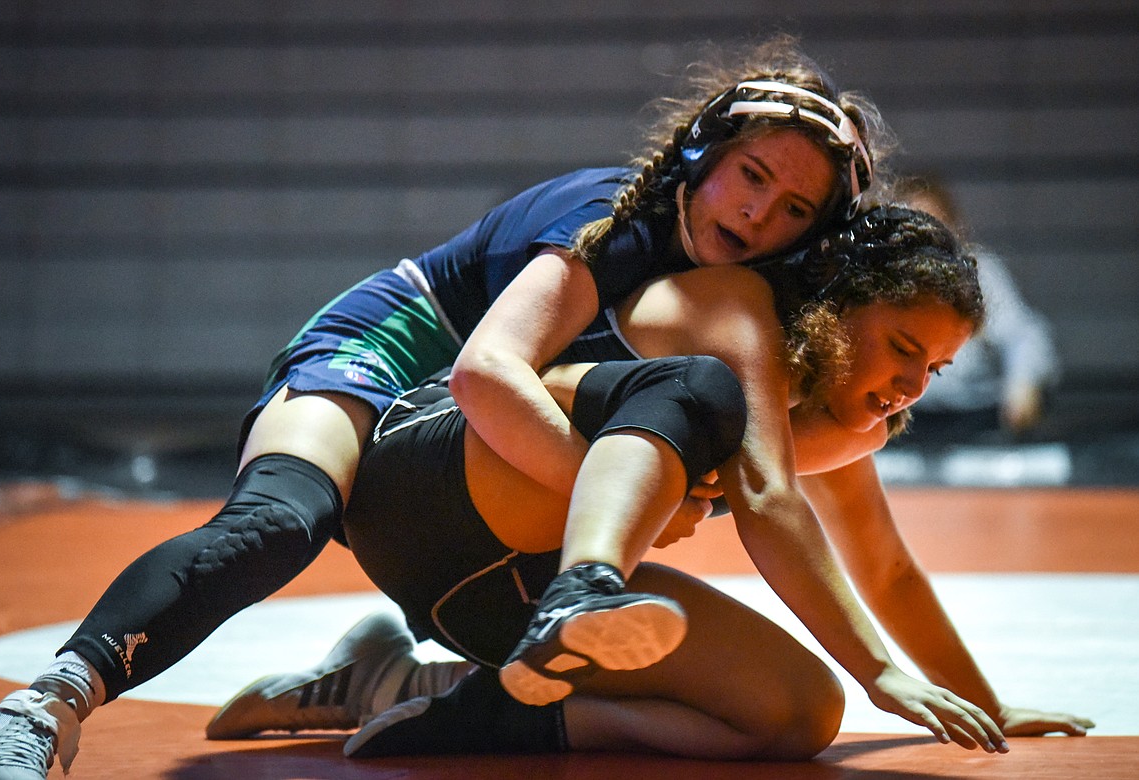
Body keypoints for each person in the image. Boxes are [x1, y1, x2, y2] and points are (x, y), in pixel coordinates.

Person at [0, 35, 892, 779]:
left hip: (467, 471)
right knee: (282, 520)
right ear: (704, 153)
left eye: (794, 210)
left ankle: (393, 682)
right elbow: (486, 371)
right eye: (752, 177)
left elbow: (784, 481)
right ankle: (45, 708)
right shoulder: (607, 217)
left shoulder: (738, 303)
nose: (759, 217)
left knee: (768, 689)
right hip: (384, 363)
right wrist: (617, 504)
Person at [207, 206, 1093, 761]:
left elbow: (887, 569)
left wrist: (985, 702)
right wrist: (881, 674)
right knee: (693, 401)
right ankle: (575, 594)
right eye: (904, 348)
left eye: (935, 370)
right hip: (431, 481)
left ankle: (419, 694)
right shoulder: (736, 310)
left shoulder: (828, 417)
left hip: (502, 578)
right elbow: (768, 500)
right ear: (838, 309)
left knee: (795, 716)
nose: (913, 386)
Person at [894, 173, 1060, 438]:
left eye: (932, 225)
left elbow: (1023, 335)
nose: (923, 240)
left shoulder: (976, 271)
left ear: (951, 226)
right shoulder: (880, 278)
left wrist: (1022, 383)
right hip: (899, 421)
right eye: (912, 227)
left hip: (971, 418)